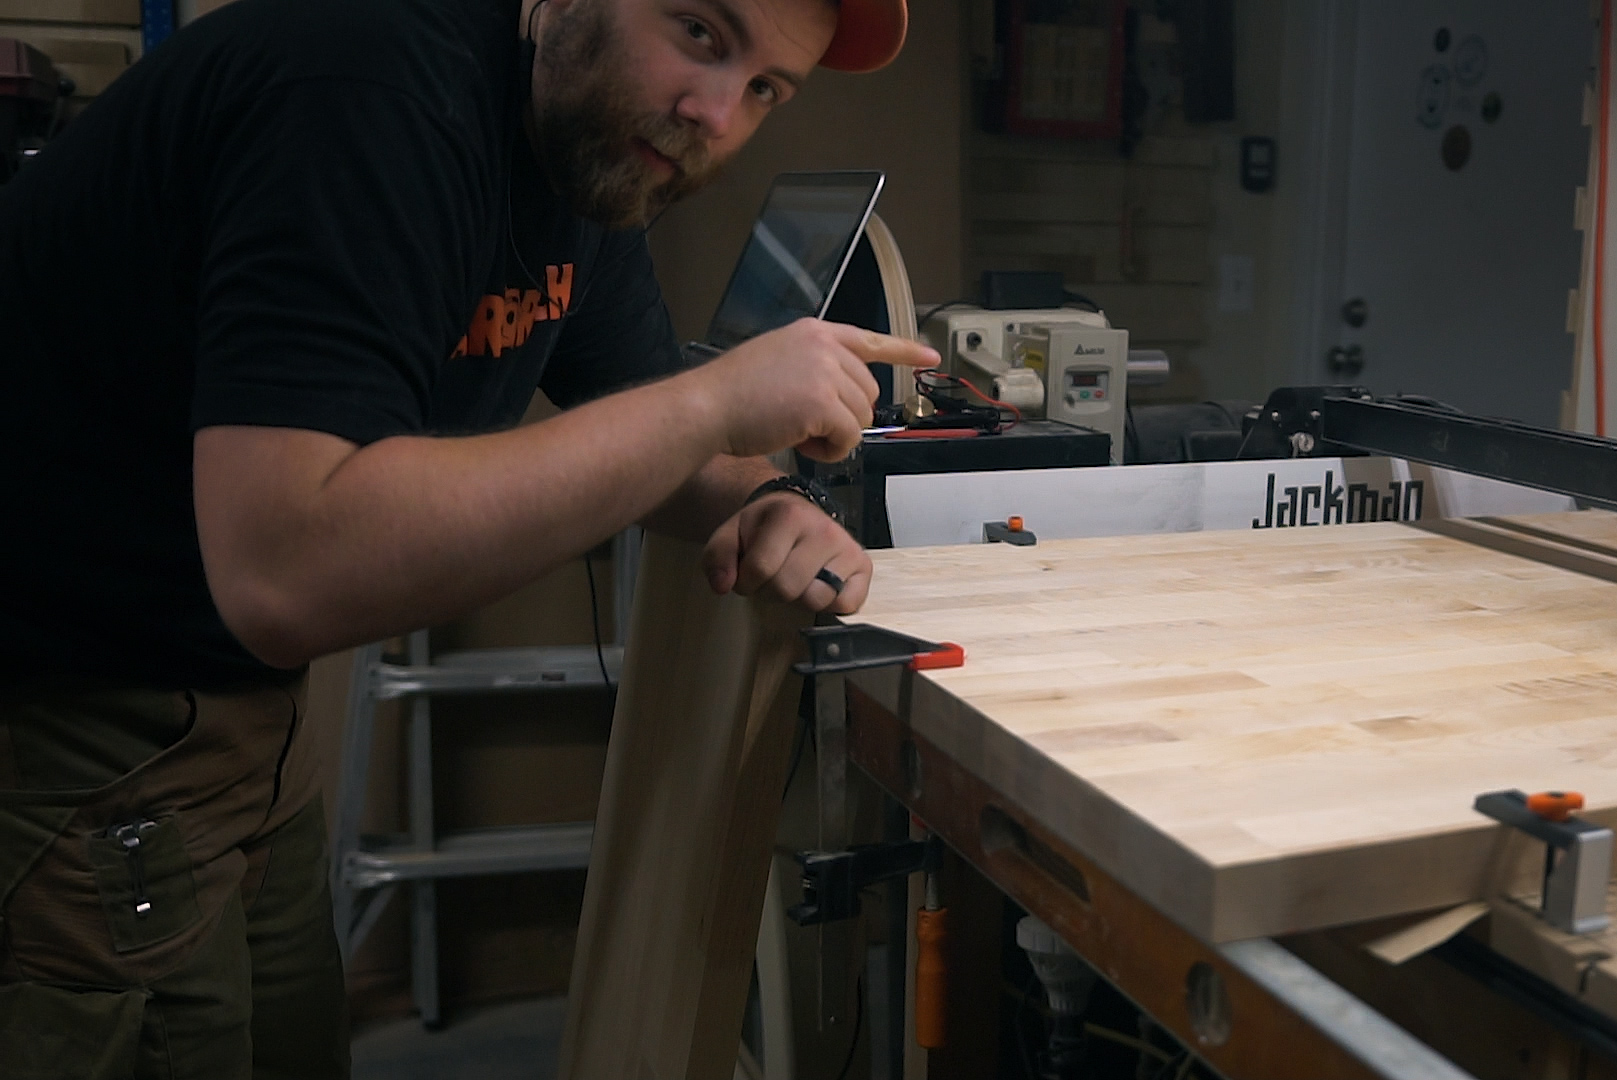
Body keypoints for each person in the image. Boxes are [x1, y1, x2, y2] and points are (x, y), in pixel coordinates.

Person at [0, 0, 934, 1073]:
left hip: (245, 726)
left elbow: (645, 403)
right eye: (699, 32)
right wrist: (715, 406)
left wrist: (766, 499)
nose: (714, 114)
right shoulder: (367, 92)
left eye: (766, 87)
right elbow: (284, 569)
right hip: (69, 727)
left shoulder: (584, 156)